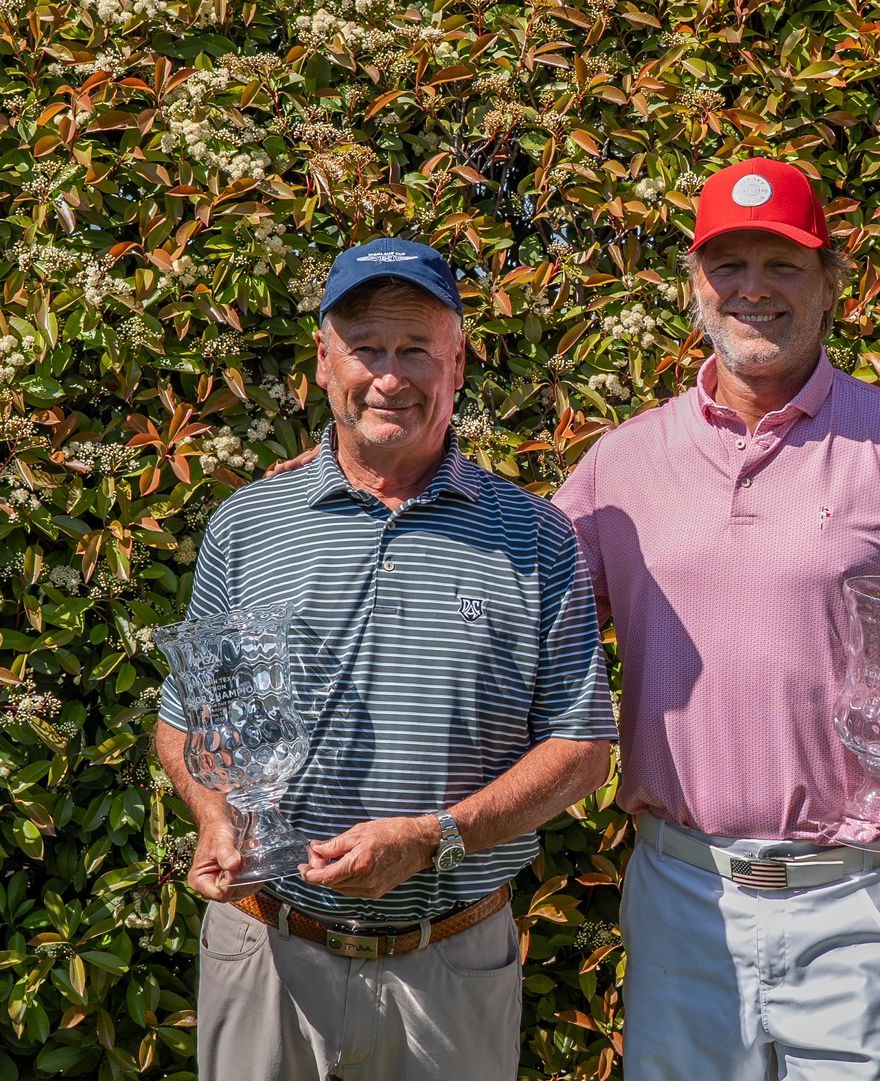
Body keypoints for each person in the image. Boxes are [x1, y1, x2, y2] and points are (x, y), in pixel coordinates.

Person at [550, 158, 880, 1079]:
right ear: (695, 283)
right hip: (684, 894)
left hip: (860, 896)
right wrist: (359, 471)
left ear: (830, 282)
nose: (754, 289)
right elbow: (519, 605)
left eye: (783, 263)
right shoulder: (623, 462)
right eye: (728, 264)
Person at [156, 237, 617, 1081]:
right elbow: (185, 723)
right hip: (267, 949)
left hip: (450, 959)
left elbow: (582, 749)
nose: (390, 377)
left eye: (415, 350)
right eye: (366, 348)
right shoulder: (247, 525)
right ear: (323, 361)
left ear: (458, 363)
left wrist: (434, 838)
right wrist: (214, 815)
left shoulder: (536, 538)